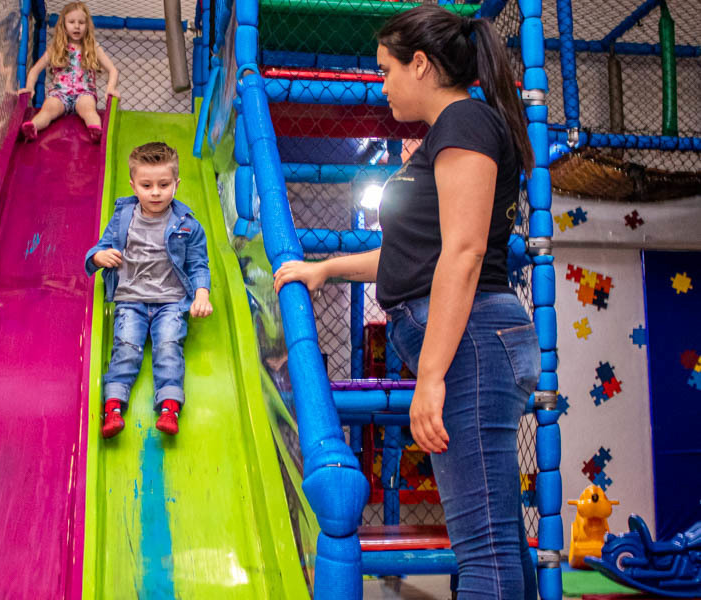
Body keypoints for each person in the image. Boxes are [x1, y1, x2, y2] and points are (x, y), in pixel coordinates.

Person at [274, 6, 540, 599]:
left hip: (468, 344)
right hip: (472, 341)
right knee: (498, 542)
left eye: (387, 69)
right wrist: (325, 270)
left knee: (485, 554)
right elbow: (413, 256)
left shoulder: (465, 123)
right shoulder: (455, 130)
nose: (383, 83)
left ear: (420, 65)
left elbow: (465, 254)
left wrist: (431, 376)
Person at [85, 142, 212, 438]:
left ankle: (169, 407)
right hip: (131, 300)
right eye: (147, 185)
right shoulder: (123, 217)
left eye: (164, 184)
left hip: (170, 302)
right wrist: (97, 257)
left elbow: (198, 264)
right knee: (126, 347)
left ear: (176, 185)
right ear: (133, 186)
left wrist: (202, 293)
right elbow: (102, 246)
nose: (155, 192)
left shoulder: (187, 225)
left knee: (168, 347)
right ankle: (113, 407)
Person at [18, 1, 120, 143]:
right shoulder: (56, 48)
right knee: (48, 109)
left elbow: (113, 70)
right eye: (72, 22)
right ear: (63, 25)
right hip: (60, 94)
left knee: (88, 110)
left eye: (81, 22)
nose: (77, 26)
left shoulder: (92, 47)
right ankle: (33, 127)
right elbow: (35, 70)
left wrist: (111, 88)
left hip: (84, 93)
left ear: (87, 25)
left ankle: (95, 129)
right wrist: (29, 87)